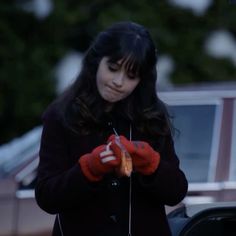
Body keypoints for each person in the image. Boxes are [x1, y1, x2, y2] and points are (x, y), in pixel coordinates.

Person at [35, 21, 188, 236]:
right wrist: (88, 170)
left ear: (142, 79)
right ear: (97, 61)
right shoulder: (62, 115)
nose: (119, 81)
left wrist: (152, 165)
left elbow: (176, 191)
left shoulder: (151, 116)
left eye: (131, 76)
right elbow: (47, 197)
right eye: (113, 68)